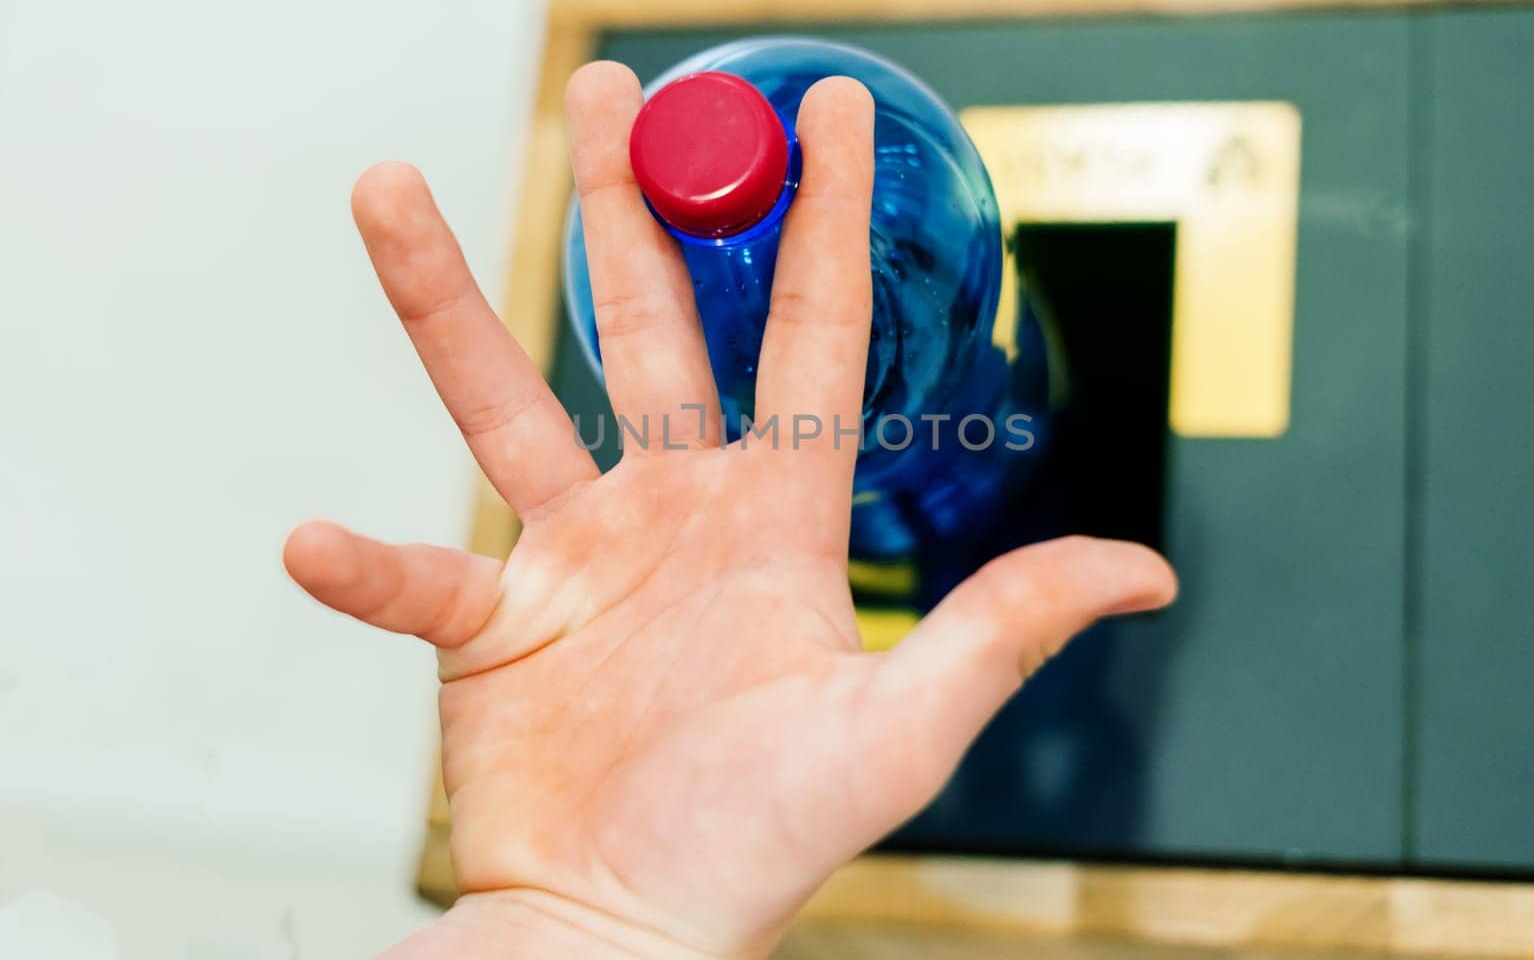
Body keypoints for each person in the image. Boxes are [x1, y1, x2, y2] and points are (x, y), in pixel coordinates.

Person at [282, 62, 1177, 959]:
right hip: (875, 489)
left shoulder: (923, 196)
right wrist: (583, 921)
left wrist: (581, 923)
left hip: (952, 442)